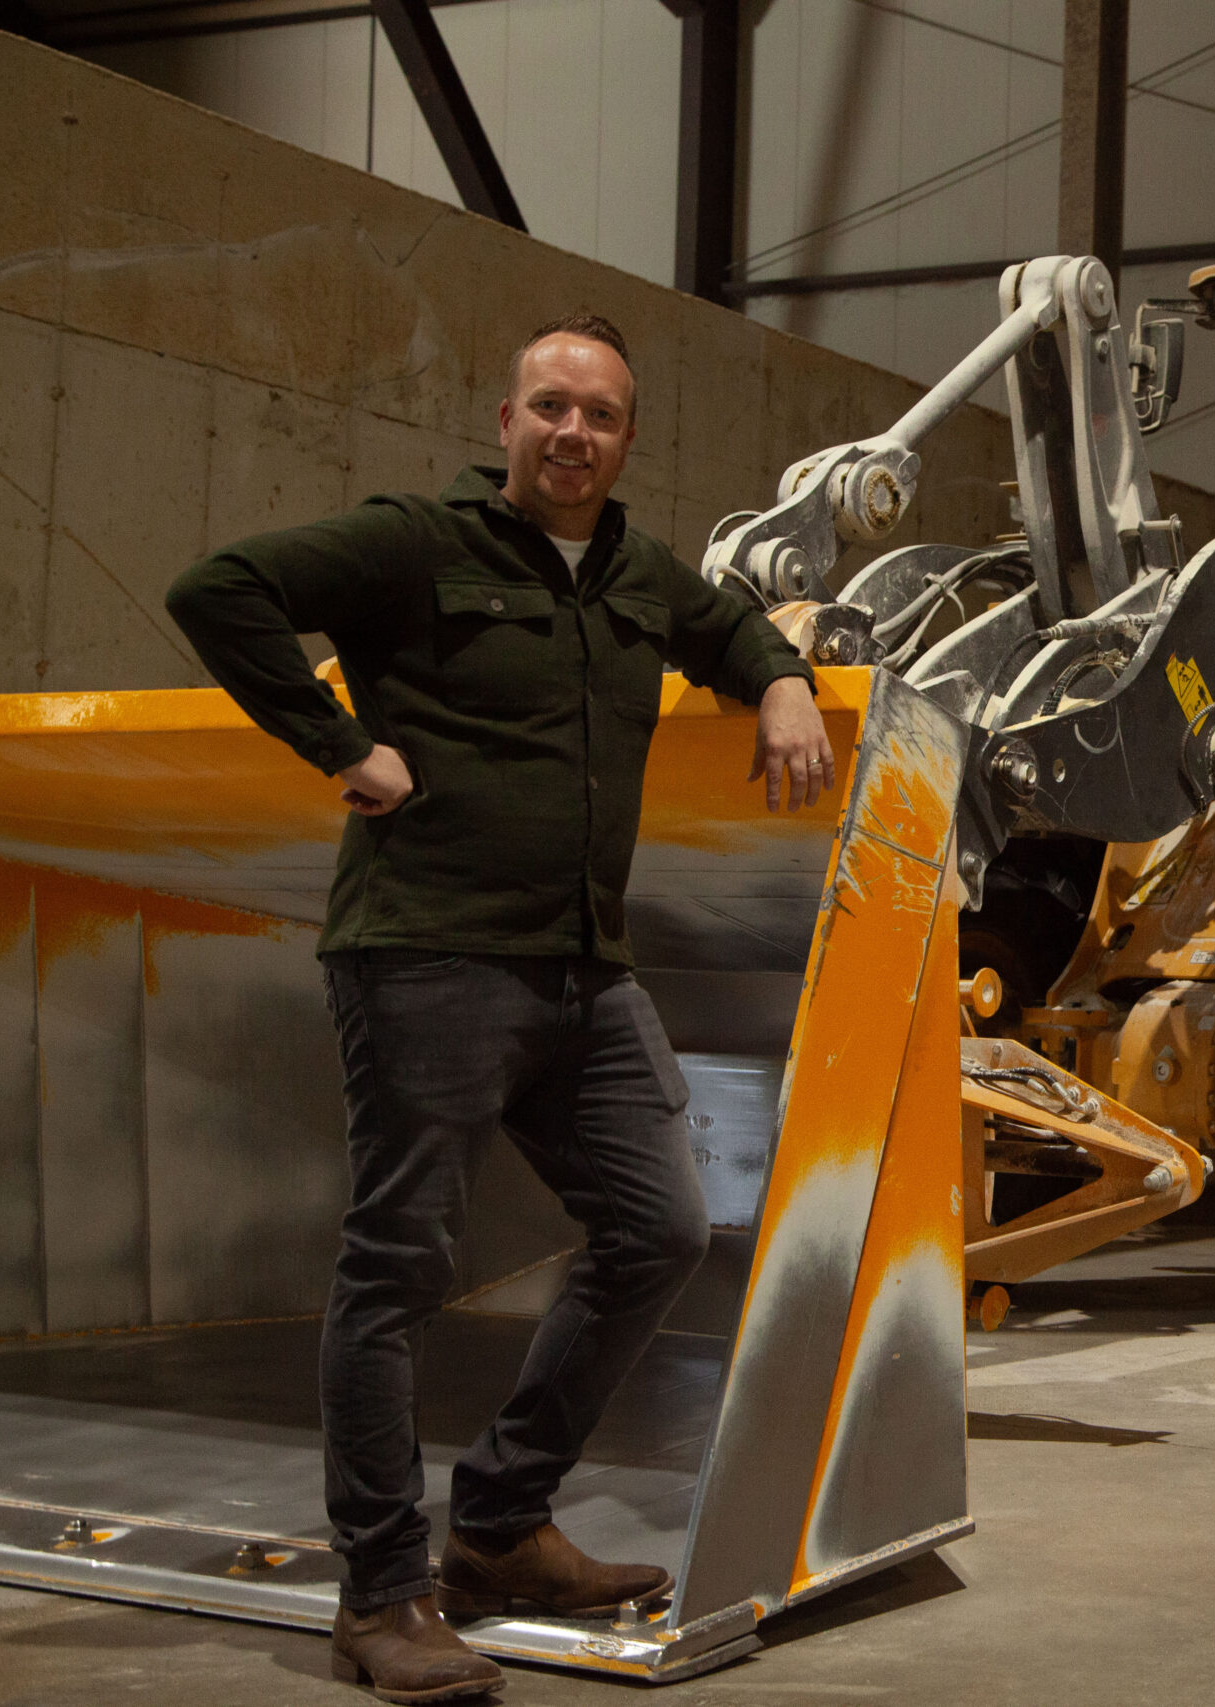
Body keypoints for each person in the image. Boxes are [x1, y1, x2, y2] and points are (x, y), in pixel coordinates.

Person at [166, 313, 834, 1701]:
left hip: (584, 969)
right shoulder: (416, 542)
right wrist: (342, 743)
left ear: (628, 437)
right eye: (549, 407)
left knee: (661, 1224)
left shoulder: (645, 576)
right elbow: (218, 587)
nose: (572, 433)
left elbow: (732, 626)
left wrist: (779, 681)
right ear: (506, 422)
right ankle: (381, 1592)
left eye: (598, 414)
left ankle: (499, 1521)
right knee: (397, 1265)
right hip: (426, 954)